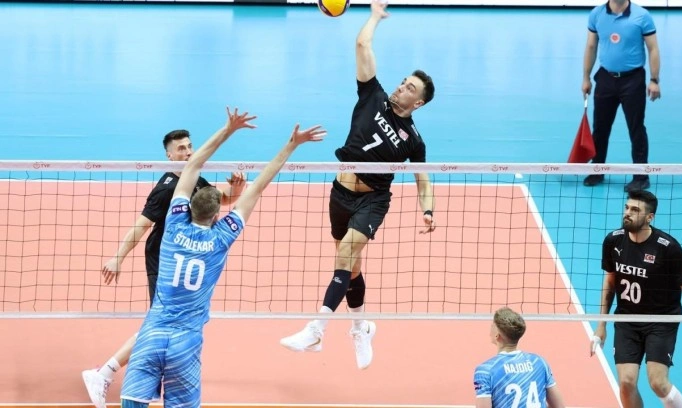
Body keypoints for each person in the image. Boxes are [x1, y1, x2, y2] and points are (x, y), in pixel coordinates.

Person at [119, 107, 325, 408]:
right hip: (185, 344)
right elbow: (257, 187)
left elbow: (193, 165)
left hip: (151, 336)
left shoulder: (173, 225)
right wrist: (291, 145)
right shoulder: (221, 237)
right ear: (218, 215)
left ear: (186, 207)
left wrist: (228, 129)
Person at [279, 0, 436, 370]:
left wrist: (428, 210)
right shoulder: (373, 96)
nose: (401, 87)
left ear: (419, 102)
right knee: (350, 268)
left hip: (372, 200)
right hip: (340, 194)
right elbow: (362, 45)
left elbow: (423, 180)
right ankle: (361, 328)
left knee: (346, 253)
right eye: (403, 82)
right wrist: (374, 17)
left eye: (410, 88)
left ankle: (316, 329)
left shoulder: (414, 141)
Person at [82, 128, 247, 408]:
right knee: (158, 326)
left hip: (184, 261)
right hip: (165, 264)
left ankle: (124, 374)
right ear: (169, 156)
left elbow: (221, 199)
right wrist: (118, 257)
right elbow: (141, 226)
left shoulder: (194, 178)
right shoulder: (166, 190)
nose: (188, 152)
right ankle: (103, 373)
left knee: (161, 326)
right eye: (181, 149)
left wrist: (237, 190)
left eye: (190, 146)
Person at [591, 189, 682, 408]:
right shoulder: (613, 241)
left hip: (661, 320)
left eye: (635, 210)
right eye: (626, 207)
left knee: (658, 383)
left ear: (649, 217)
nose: (627, 213)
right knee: (626, 382)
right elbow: (610, 282)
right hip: (627, 320)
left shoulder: (668, 248)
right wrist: (601, 325)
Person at [581, 0, 661, 192]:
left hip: (633, 80)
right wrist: (586, 78)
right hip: (605, 78)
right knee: (600, 128)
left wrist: (654, 80)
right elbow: (591, 46)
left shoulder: (642, 16)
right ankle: (597, 170)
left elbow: (653, 48)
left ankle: (641, 176)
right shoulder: (596, 14)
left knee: (636, 128)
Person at [472, 307, 566, 408]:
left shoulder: (485, 370)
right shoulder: (539, 362)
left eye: (492, 325)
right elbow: (559, 406)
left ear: (497, 336)